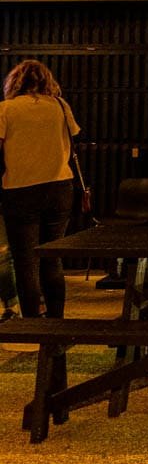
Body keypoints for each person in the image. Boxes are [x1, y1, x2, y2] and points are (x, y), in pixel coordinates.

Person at [0, 59, 80, 318]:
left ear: (14, 81)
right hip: (60, 188)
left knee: (26, 261)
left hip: (20, 189)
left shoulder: (6, 110)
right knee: (52, 256)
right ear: (47, 80)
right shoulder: (59, 105)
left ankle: (32, 322)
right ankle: (56, 320)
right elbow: (73, 138)